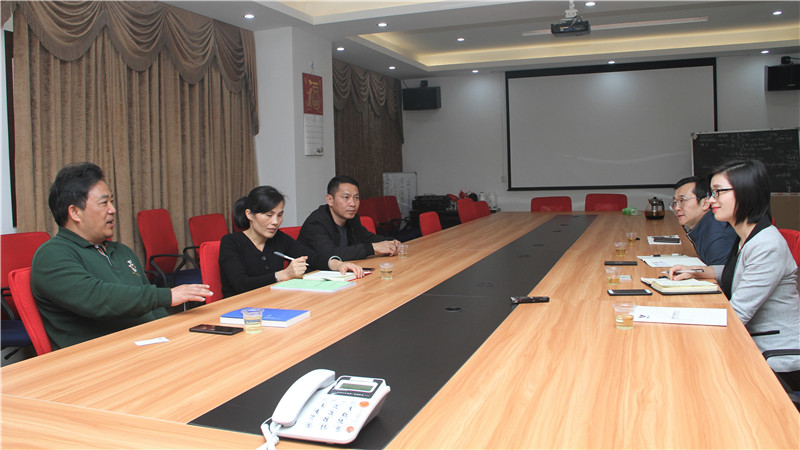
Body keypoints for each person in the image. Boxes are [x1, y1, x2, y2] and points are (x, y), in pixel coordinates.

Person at [31, 162, 212, 350]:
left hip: (148, 346)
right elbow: (97, 299)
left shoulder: (121, 251)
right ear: (75, 212)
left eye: (112, 201)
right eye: (104, 203)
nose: (112, 210)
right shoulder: (52, 255)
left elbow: (153, 307)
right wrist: (168, 295)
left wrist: (173, 333)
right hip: (101, 358)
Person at [670, 160, 800, 389]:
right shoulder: (748, 236)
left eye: (718, 192)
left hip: (774, 356)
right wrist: (698, 272)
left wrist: (677, 318)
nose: (711, 201)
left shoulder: (766, 245)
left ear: (745, 193)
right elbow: (740, 272)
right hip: (751, 342)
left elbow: (736, 315)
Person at [219, 185, 363, 297]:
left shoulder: (279, 238)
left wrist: (338, 264)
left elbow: (311, 257)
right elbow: (240, 284)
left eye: (279, 215)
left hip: (273, 301)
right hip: (240, 308)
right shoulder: (231, 242)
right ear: (249, 215)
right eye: (269, 215)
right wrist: (283, 274)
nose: (275, 222)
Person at [298, 176, 401, 261]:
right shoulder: (315, 223)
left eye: (356, 198)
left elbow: (367, 238)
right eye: (346, 197)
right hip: (313, 275)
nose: (353, 204)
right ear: (330, 200)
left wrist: (391, 242)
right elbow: (330, 255)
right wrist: (373, 248)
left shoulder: (352, 218)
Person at [671, 176, 737, 265]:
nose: (677, 208)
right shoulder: (706, 224)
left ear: (705, 203)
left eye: (682, 200)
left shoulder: (718, 236)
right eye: (675, 203)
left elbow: (721, 272)